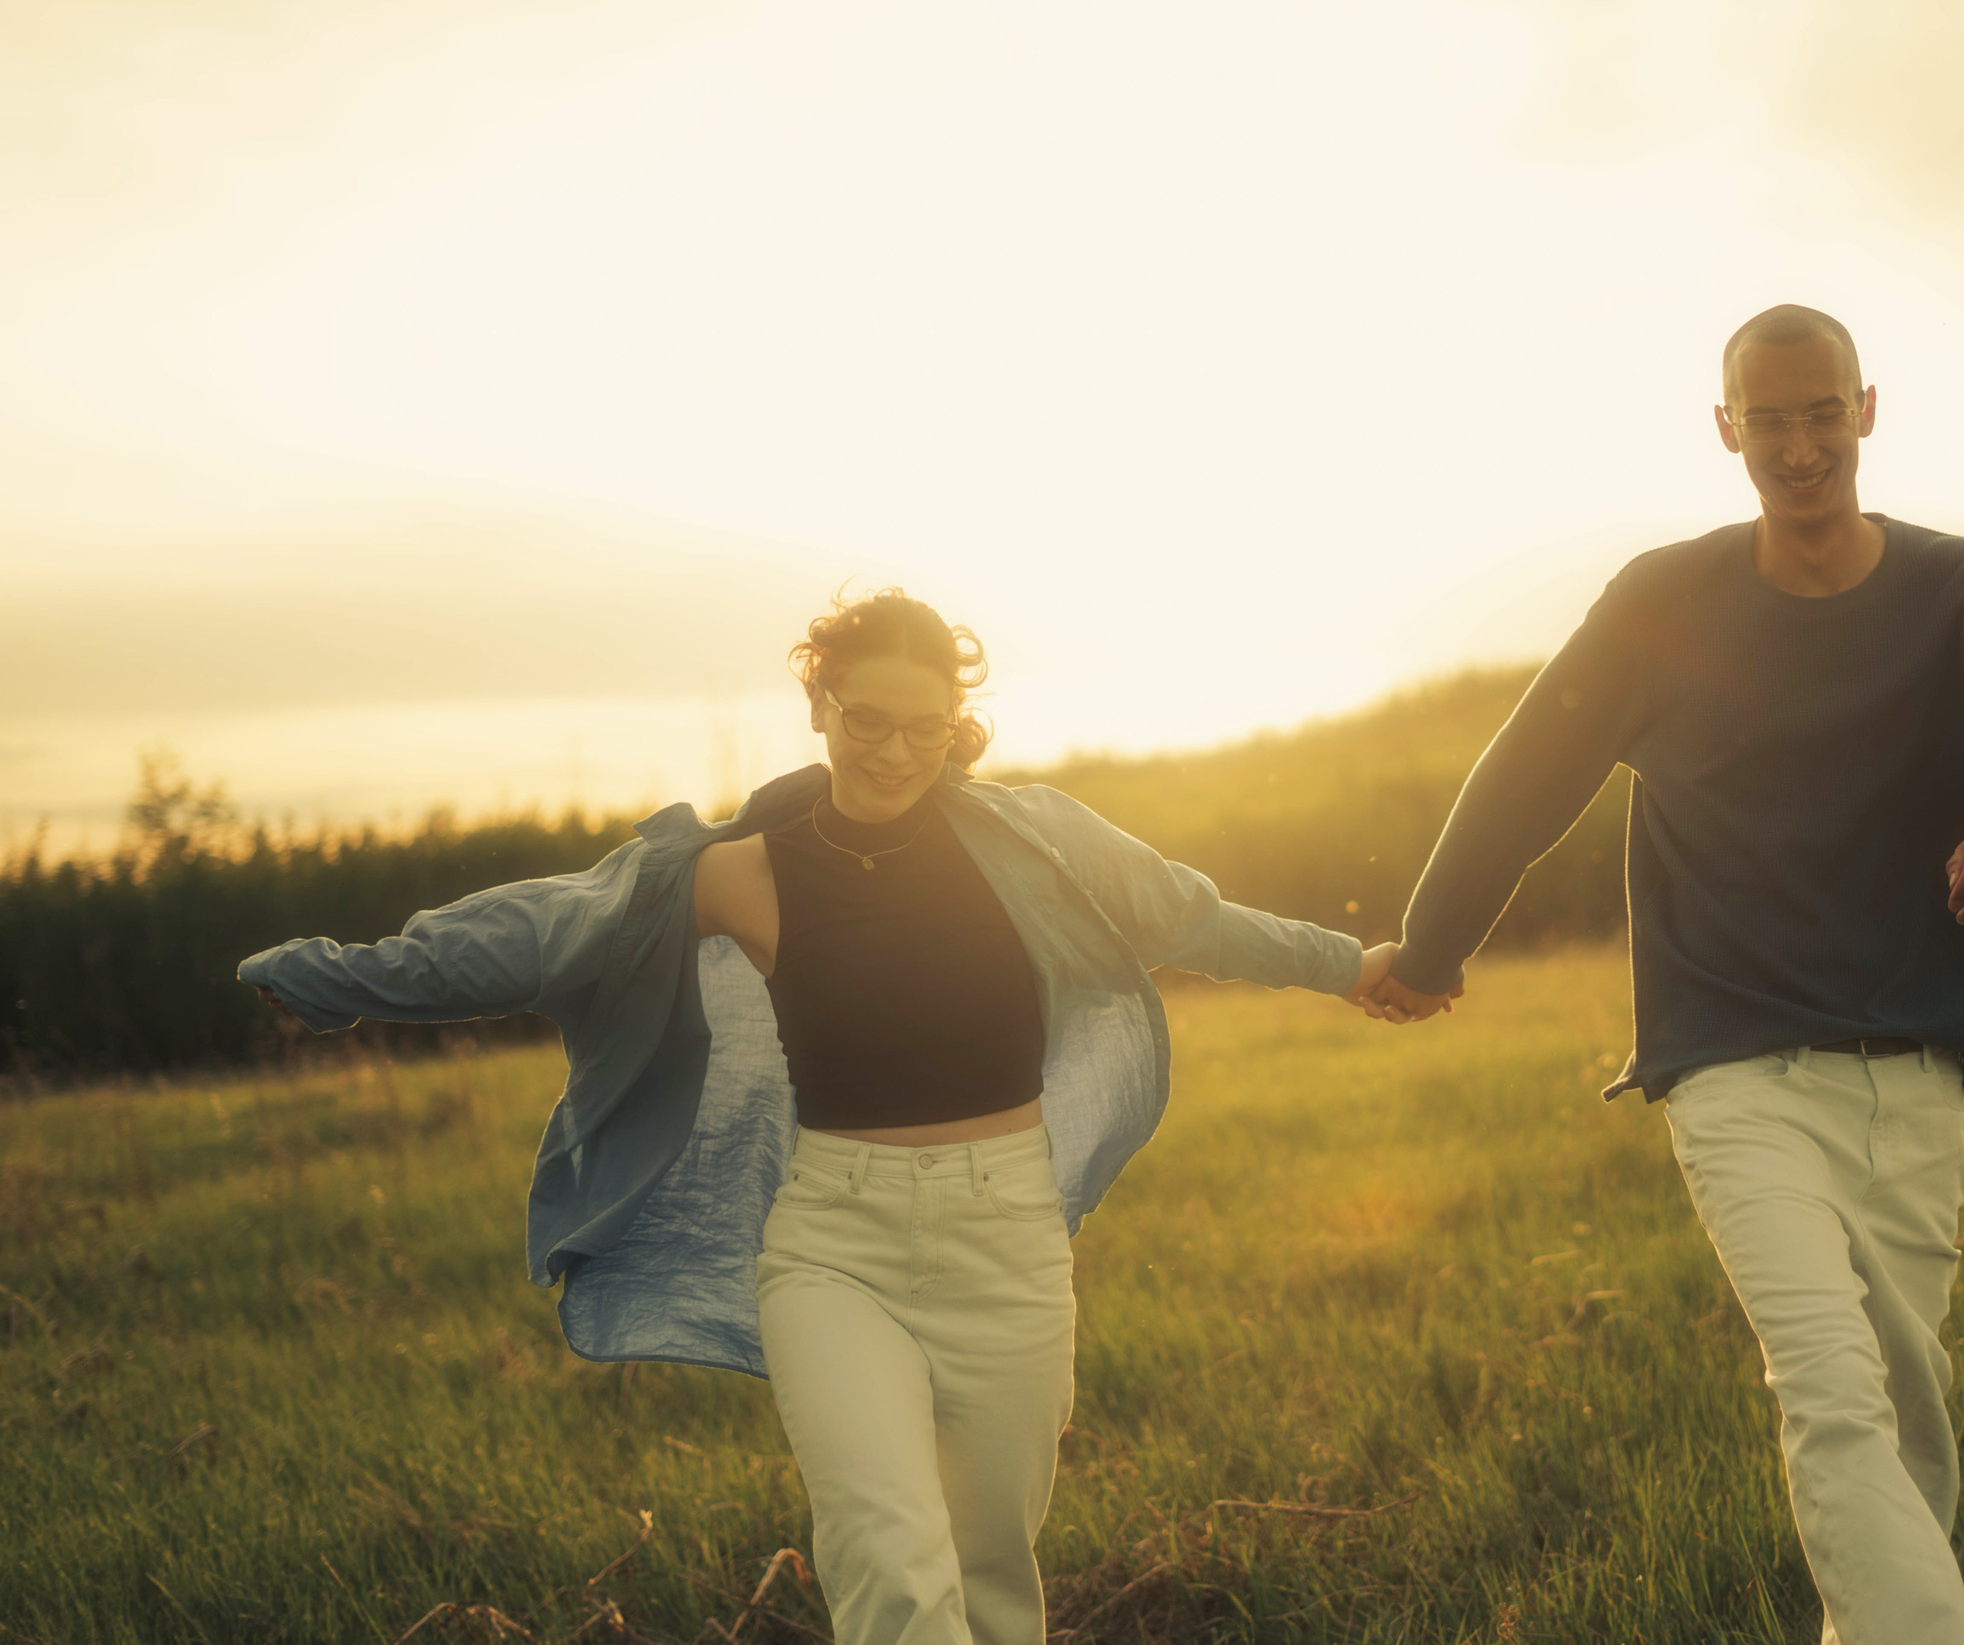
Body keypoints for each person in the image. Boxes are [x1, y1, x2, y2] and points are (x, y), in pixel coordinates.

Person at [242, 589, 1400, 1645]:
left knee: (992, 1576)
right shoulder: (746, 872)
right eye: (867, 721)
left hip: (1007, 1242)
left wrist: (1351, 964)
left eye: (925, 728)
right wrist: (347, 977)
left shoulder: (1035, 844)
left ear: (959, 725)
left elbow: (1187, 915)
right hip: (832, 1249)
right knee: (891, 1569)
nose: (895, 751)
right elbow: (545, 928)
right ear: (819, 704)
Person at [1357, 305, 1964, 1644]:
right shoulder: (1661, 601)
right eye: (1771, 421)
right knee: (1830, 1388)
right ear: (1728, 431)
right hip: (1734, 1062)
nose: (1801, 446)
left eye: (1823, 413)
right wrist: (1428, 948)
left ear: (1867, 410)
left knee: (1903, 1416)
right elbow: (1529, 772)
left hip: (1921, 1063)